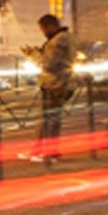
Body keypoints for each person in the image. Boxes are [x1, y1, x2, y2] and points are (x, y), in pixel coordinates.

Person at [26, 13, 74, 163]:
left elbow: (48, 64)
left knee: (50, 119)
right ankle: (40, 150)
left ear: (51, 26)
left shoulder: (59, 40)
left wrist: (33, 55)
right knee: (46, 119)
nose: (43, 33)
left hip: (55, 84)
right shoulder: (62, 38)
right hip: (55, 83)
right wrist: (40, 52)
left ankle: (50, 153)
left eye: (43, 29)